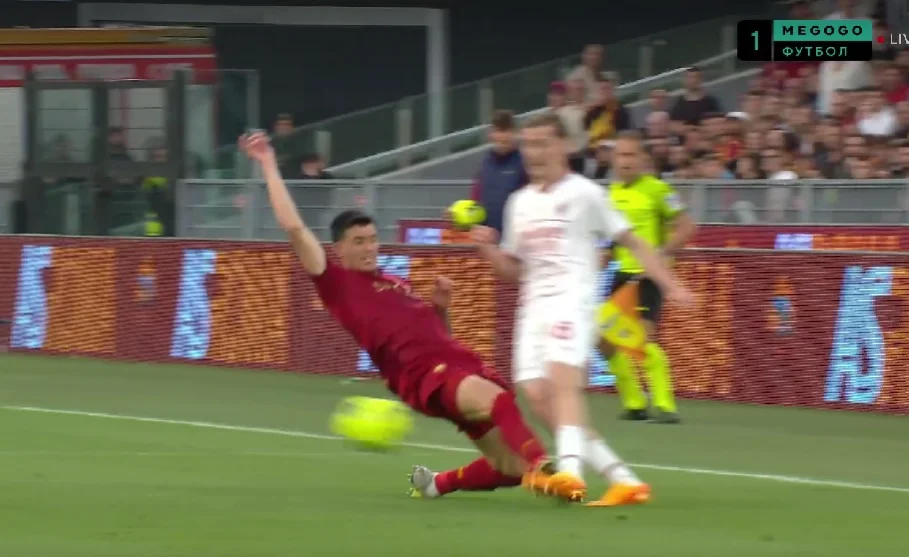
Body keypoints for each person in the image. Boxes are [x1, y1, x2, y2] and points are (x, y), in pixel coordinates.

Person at [238, 131, 577, 502]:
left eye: (372, 239)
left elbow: (440, 335)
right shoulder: (335, 282)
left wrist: (441, 308)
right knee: (498, 402)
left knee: (509, 467)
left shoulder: (396, 282)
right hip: (423, 375)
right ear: (339, 249)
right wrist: (268, 163)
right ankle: (545, 467)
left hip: (453, 364)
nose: (369, 248)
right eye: (358, 242)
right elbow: (294, 227)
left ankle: (435, 484)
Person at [416, 113, 693, 506]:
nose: (534, 152)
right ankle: (623, 479)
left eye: (543, 143)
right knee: (538, 397)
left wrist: (669, 283)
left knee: (564, 381)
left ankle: (571, 474)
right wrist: (487, 248)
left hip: (573, 298)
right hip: (533, 307)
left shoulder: (586, 193)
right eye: (528, 144)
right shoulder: (520, 203)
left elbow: (633, 242)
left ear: (563, 145)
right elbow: (514, 271)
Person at [601, 131, 697, 424]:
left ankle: (665, 405)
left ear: (643, 158)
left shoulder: (658, 190)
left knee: (644, 337)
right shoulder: (610, 194)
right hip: (621, 274)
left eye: (631, 155)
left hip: (648, 276)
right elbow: (610, 241)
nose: (625, 161)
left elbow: (686, 226)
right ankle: (634, 403)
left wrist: (660, 254)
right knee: (604, 341)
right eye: (620, 155)